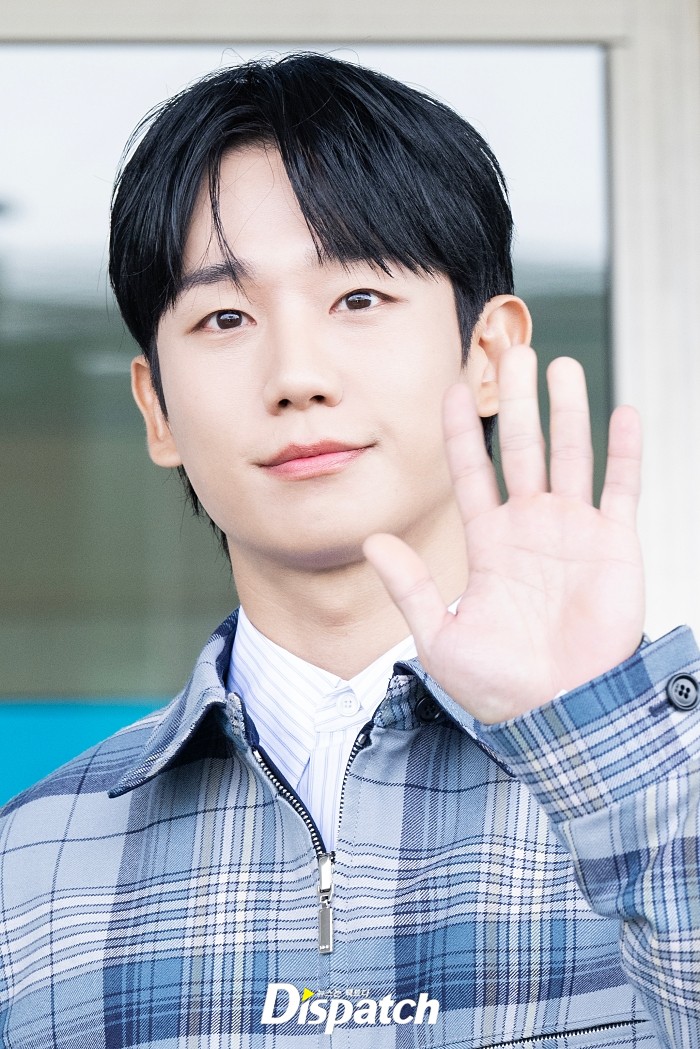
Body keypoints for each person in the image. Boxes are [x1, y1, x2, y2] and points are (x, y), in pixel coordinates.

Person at [1, 52, 698, 1049]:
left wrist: (600, 744)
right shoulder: (30, 864)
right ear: (155, 408)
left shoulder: (669, 776)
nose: (297, 375)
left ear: (488, 354)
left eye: (359, 298)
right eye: (225, 316)